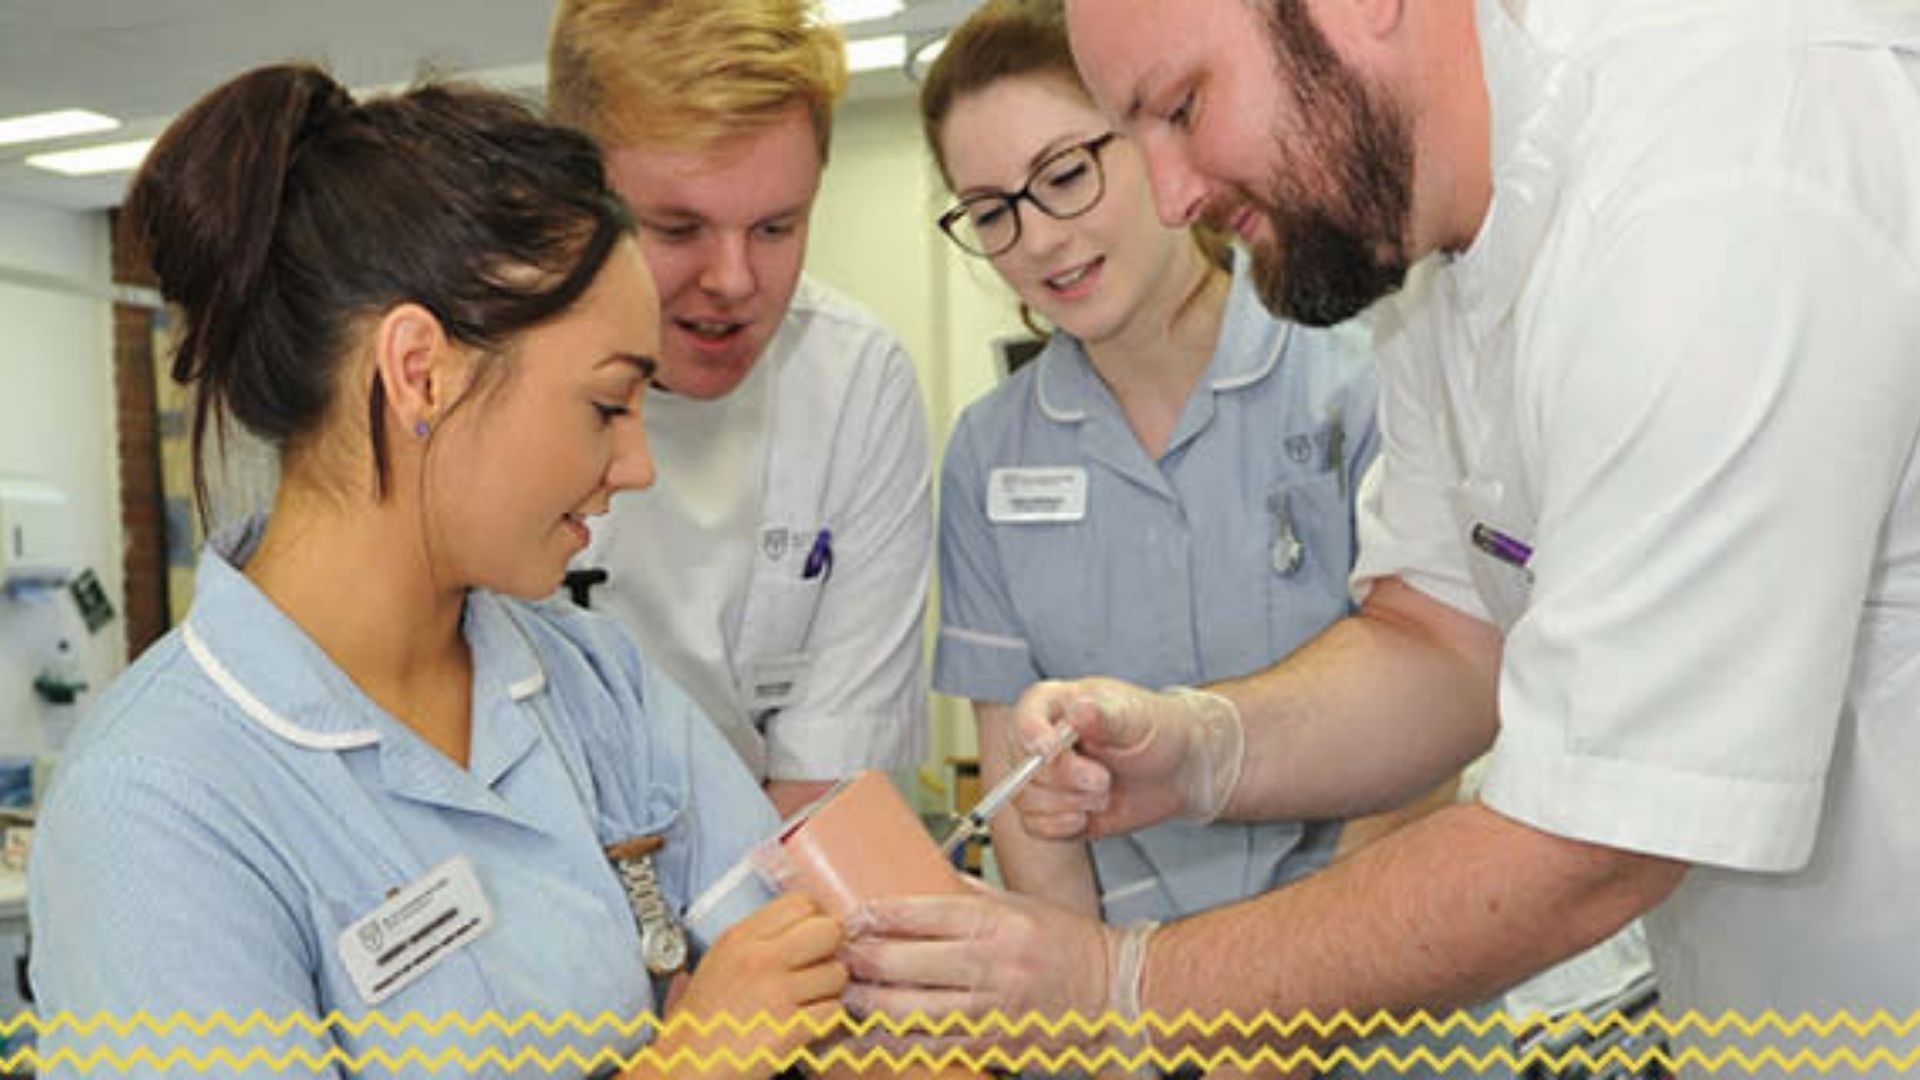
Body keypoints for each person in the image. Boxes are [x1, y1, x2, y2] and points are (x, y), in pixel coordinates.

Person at [841, 0, 1920, 1072]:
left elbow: (1597, 840)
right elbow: (1444, 636)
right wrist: (1208, 747)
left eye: (1182, 105)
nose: (1173, 200)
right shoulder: (1422, 220)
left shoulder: (1715, 173)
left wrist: (1125, 989)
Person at [28, 65, 848, 1078]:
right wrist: (697, 1061)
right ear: (420, 372)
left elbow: (821, 963)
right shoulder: (156, 806)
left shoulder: (595, 687)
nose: (635, 467)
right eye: (605, 405)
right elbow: (745, 1019)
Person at [921, 0, 1407, 937]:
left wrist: (1277, 1023)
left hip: (1377, 971)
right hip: (1130, 1003)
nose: (1039, 239)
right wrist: (1099, 1032)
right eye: (990, 212)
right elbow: (1027, 807)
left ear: (1156, 130)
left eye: (1064, 175)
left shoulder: (1355, 373)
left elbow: (1426, 739)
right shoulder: (990, 455)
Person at [547, 0, 933, 818]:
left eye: (775, 227)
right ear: (577, 199)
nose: (733, 280)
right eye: (678, 228)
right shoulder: (482, 383)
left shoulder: (855, 380)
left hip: (769, 881)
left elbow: (828, 784)